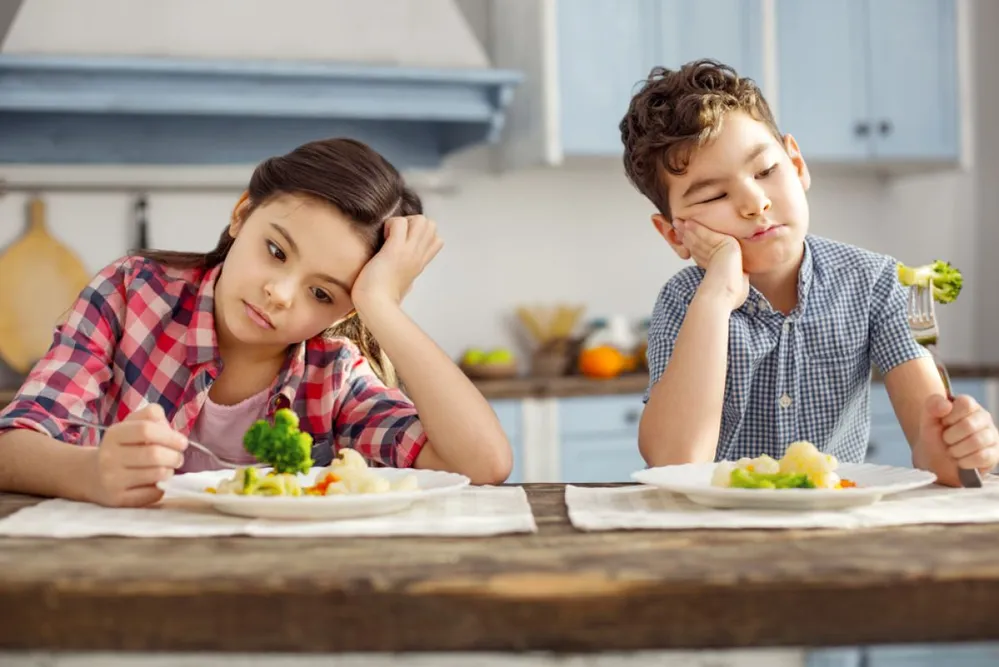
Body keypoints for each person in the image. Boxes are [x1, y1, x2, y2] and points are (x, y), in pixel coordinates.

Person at [0, 137, 513, 506]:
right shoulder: (131, 293)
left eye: (321, 293)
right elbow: (13, 444)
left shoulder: (333, 373)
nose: (280, 294)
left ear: (349, 308)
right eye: (275, 250)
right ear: (242, 214)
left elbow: (482, 464)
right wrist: (91, 472)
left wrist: (383, 306)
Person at [620, 59, 998, 486]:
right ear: (674, 235)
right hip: (717, 535)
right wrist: (717, 296)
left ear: (796, 164)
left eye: (766, 171)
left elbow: (942, 459)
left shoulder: (878, 283)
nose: (754, 203)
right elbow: (675, 463)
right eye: (714, 196)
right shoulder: (685, 301)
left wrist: (965, 448)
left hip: (835, 528)